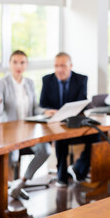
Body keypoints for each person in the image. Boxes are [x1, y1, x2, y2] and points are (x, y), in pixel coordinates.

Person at [0, 50, 55, 199]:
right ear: (10, 64)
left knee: (46, 150)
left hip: (28, 130)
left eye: (22, 62)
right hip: (8, 131)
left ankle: (21, 182)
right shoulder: (1, 83)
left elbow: (34, 108)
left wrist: (45, 112)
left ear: (26, 65)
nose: (19, 66)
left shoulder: (29, 83)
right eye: (15, 62)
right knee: (11, 158)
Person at [40, 52, 100, 187]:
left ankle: (79, 169)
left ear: (70, 66)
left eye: (63, 66)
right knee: (61, 137)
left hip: (75, 121)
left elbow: (81, 102)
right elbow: (43, 104)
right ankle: (61, 176)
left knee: (96, 136)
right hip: (55, 123)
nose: (59, 70)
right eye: (56, 66)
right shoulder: (47, 80)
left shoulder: (81, 79)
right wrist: (48, 111)